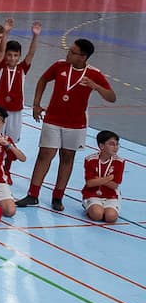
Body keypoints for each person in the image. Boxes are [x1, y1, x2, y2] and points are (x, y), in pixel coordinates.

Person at [20, 38, 117, 212]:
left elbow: (112, 97)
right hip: (52, 119)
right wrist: (36, 103)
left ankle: (58, 197)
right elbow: (42, 80)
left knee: (67, 158)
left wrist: (95, 86)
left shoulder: (94, 73)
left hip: (76, 124)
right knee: (45, 155)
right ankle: (32, 194)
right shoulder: (59, 65)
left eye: (72, 52)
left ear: (83, 57)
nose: (68, 53)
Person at [82, 130, 124, 224]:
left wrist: (98, 179)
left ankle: (105, 208)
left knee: (111, 217)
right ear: (101, 146)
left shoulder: (119, 162)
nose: (115, 147)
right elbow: (89, 183)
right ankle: (88, 206)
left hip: (111, 195)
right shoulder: (90, 160)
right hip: (92, 194)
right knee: (97, 215)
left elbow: (114, 186)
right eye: (112, 144)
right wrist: (108, 178)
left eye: (117, 144)